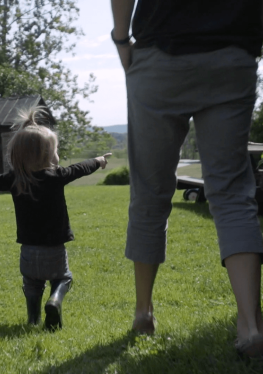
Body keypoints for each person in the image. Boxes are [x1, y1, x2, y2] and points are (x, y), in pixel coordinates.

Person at [111, 0, 263, 358]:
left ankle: (143, 312)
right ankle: (250, 326)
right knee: (232, 194)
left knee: (150, 191)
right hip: (232, 55)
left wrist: (121, 40)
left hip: (159, 54)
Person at [0, 107, 111, 330]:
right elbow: (81, 168)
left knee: (32, 284)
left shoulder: (14, 179)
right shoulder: (56, 176)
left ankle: (33, 320)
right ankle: (55, 300)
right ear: (49, 156)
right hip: (54, 249)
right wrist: (98, 160)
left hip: (28, 251)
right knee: (63, 279)